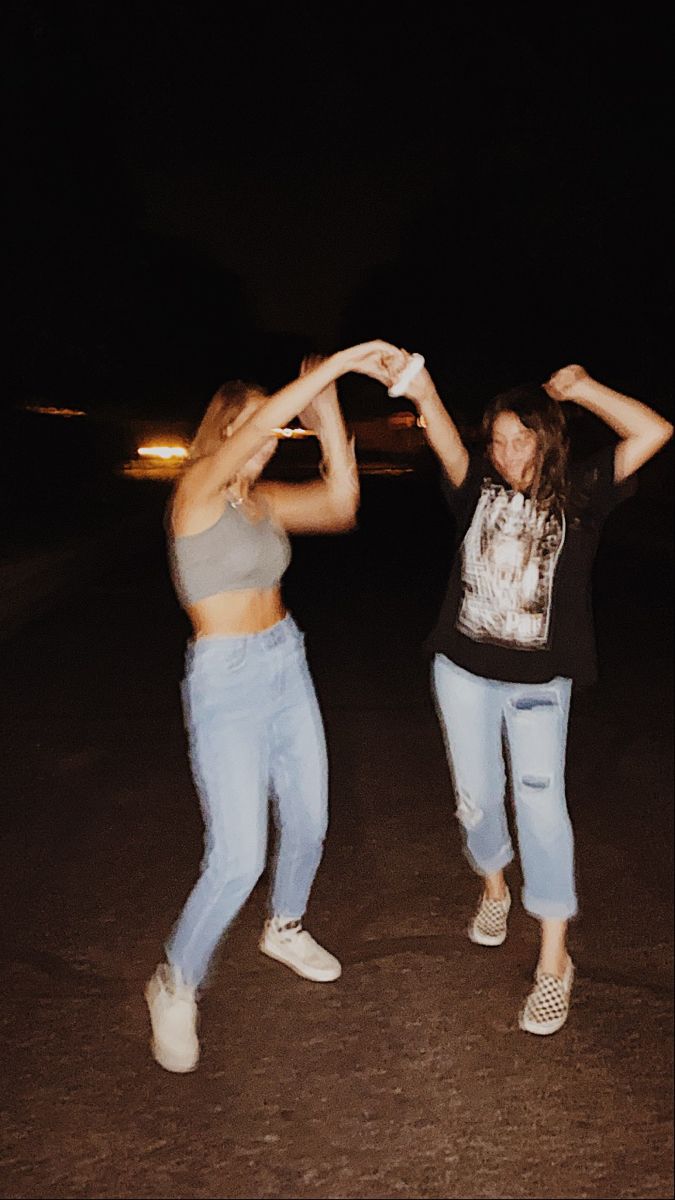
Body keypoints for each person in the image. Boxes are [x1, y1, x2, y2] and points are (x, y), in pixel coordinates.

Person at [390, 355, 672, 1035]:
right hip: (461, 671)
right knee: (476, 798)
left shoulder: (581, 492)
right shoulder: (473, 487)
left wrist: (584, 390)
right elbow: (441, 438)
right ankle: (493, 884)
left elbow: (653, 431)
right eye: (500, 440)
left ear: (547, 440)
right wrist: (420, 383)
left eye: (523, 440)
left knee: (542, 811)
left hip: (538, 686)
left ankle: (553, 961)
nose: (510, 454)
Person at [145, 340, 405, 1072]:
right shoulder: (196, 488)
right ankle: (174, 980)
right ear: (225, 429)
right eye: (256, 427)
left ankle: (283, 926)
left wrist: (327, 418)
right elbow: (261, 431)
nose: (267, 441)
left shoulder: (259, 503)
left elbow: (342, 504)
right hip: (226, 679)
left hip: (285, 661)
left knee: (312, 820)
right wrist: (342, 364)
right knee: (235, 855)